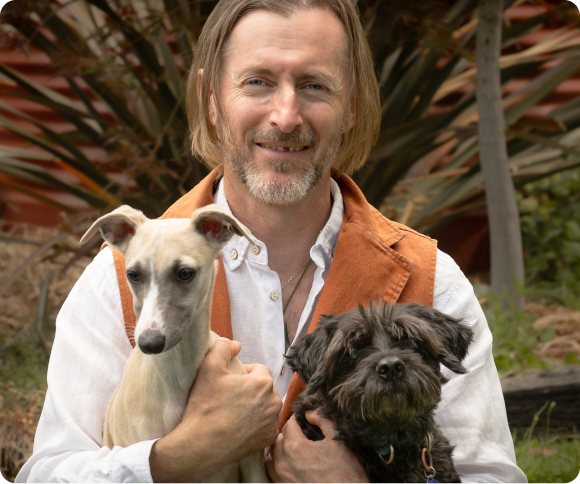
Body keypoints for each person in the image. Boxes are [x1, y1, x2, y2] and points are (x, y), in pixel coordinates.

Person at [16, 0, 527, 483]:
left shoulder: (429, 277)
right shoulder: (120, 281)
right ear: (210, 100)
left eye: (314, 86)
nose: (286, 116)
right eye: (257, 82)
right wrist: (182, 456)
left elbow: (491, 474)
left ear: (351, 105)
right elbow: (47, 473)